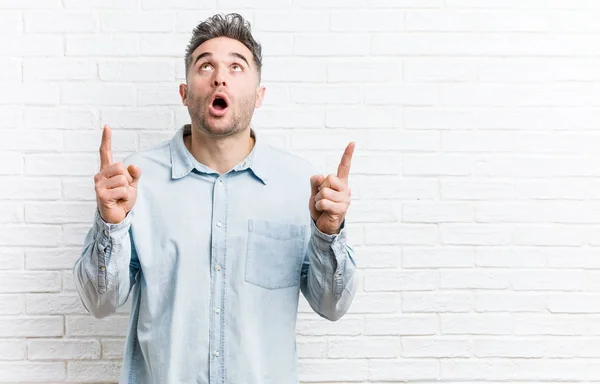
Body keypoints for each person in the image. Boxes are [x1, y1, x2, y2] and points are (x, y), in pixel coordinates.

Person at [73, 12, 357, 384]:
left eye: (236, 67)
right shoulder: (134, 183)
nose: (220, 76)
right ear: (185, 92)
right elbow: (99, 302)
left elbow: (332, 306)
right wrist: (110, 225)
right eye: (205, 65)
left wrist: (329, 235)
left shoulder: (300, 185)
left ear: (259, 96)